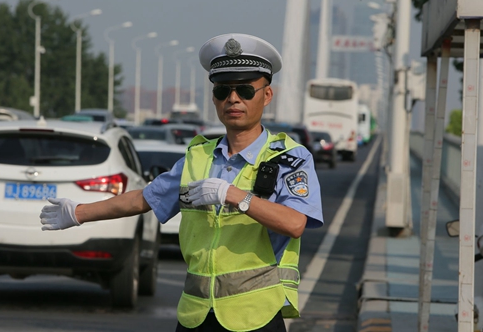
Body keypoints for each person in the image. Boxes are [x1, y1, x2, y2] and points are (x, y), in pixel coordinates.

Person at [40, 33, 323, 332]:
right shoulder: (197, 156)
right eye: (222, 91)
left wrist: (236, 196)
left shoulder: (289, 158)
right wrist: (79, 213)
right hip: (196, 315)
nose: (233, 99)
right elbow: (144, 198)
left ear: (267, 95)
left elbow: (295, 223)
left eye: (245, 90)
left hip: (255, 316)